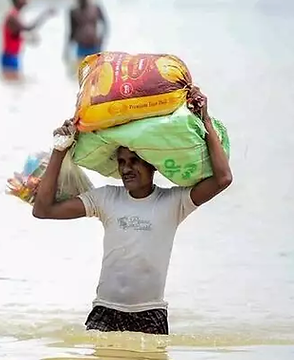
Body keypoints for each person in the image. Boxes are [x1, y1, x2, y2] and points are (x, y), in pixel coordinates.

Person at [31, 87, 232, 335]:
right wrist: (59, 150)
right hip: (104, 311)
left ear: (153, 165)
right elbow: (43, 210)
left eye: (134, 160)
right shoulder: (106, 198)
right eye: (122, 162)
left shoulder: (174, 203)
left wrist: (206, 121)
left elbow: (223, 179)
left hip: (151, 314)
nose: (127, 168)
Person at [1, 0, 55, 78]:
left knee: (14, 86)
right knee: (14, 84)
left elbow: (15, 35)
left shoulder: (15, 15)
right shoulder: (12, 16)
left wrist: (28, 39)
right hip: (10, 57)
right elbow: (29, 28)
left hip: (12, 56)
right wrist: (45, 15)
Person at [66, 0, 108, 64]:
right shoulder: (74, 11)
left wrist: (101, 39)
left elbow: (105, 25)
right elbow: (71, 31)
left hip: (95, 45)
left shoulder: (96, 8)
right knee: (82, 72)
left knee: (96, 72)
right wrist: (67, 49)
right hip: (81, 46)